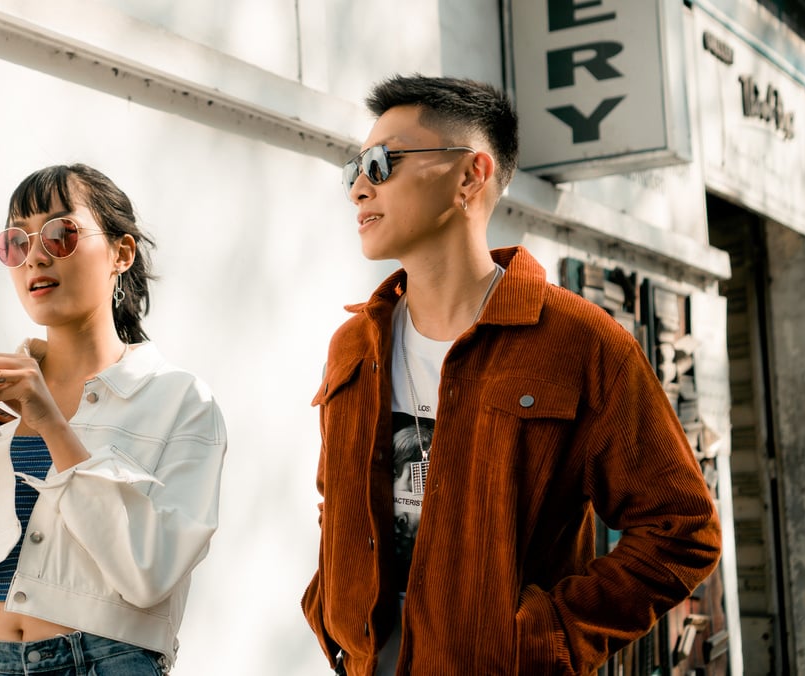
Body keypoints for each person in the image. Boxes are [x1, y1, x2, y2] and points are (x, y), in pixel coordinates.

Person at [301, 75, 722, 676]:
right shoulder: (355, 344)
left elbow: (682, 529)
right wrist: (329, 606)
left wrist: (548, 639)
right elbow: (335, 501)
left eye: (381, 162)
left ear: (471, 174)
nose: (359, 188)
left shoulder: (578, 341)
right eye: (353, 170)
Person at [0, 163, 227, 675]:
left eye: (61, 234)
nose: (34, 255)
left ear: (121, 253)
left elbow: (149, 573)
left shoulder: (180, 401)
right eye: (16, 242)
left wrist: (52, 423)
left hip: (99, 662)